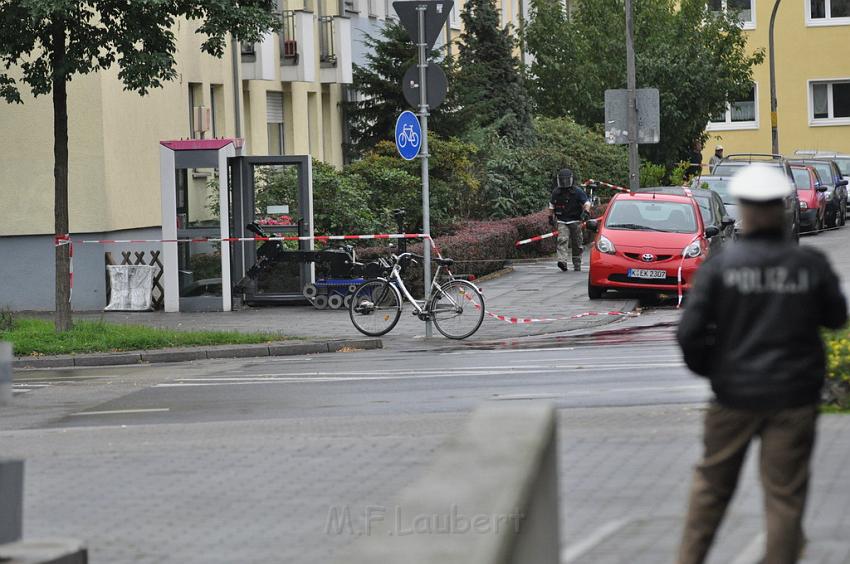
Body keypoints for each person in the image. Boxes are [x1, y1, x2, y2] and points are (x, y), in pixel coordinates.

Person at [675, 164, 847, 564]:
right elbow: (836, 317)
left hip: (732, 396)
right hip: (793, 398)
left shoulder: (720, 268)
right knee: (784, 497)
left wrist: (714, 371)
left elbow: (688, 333)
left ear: (745, 213)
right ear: (784, 210)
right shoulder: (810, 266)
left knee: (710, 490)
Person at [549, 168, 591, 272]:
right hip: (562, 221)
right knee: (562, 240)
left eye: (566, 180)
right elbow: (551, 205)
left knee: (577, 243)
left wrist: (586, 212)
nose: (564, 182)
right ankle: (562, 261)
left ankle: (577, 263)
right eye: (562, 180)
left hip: (575, 220)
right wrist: (550, 217)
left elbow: (587, 203)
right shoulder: (556, 192)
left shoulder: (577, 191)